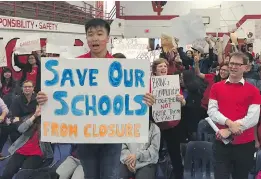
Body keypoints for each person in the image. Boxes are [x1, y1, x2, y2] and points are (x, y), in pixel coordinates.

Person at [36, 18, 156, 179]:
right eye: (90, 34)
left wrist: (148, 99)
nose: (95, 38)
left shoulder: (122, 68)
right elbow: (59, 93)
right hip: (85, 136)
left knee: (109, 175)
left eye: (100, 34)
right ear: (86, 38)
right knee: (90, 176)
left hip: (113, 136)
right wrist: (46, 98)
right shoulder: (74, 66)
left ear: (107, 38)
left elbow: (138, 96)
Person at [208, 52, 261, 179]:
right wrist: (230, 124)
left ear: (246, 68)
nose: (233, 67)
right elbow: (212, 111)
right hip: (221, 142)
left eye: (238, 64)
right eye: (231, 63)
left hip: (244, 144)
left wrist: (229, 130)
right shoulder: (216, 87)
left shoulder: (253, 90)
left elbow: (253, 118)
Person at [149, 58, 186, 179]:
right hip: (155, 125)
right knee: (155, 152)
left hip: (172, 124)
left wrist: (182, 100)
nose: (163, 68)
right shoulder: (149, 83)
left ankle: (178, 175)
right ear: (154, 70)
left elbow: (183, 103)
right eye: (160, 66)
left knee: (175, 153)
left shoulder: (173, 82)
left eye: (165, 66)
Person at [1, 106, 53, 179]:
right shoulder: (31, 117)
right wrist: (35, 116)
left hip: (37, 153)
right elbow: (21, 129)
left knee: (23, 175)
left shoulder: (51, 122)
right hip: (22, 150)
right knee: (7, 173)